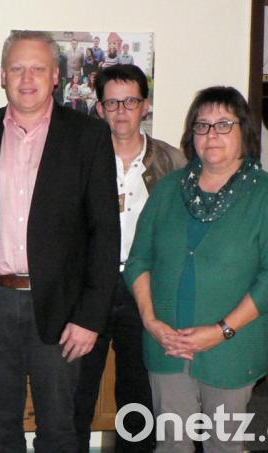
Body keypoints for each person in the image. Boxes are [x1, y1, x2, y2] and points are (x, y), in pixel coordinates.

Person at [0, 30, 119, 451]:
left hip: (61, 307)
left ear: (56, 76)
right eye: (18, 68)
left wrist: (91, 317)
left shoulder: (88, 136)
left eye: (38, 68)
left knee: (59, 426)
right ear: (3, 75)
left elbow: (104, 233)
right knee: (0, 422)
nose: (27, 78)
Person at [124, 86, 268, 453]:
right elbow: (139, 259)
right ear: (192, 136)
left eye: (223, 124)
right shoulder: (169, 189)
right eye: (202, 126)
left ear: (244, 132)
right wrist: (151, 322)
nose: (211, 135)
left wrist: (221, 331)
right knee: (171, 445)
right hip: (166, 347)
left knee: (224, 446)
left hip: (231, 350)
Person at [73, 64, 187, 453]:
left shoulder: (173, 163)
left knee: (138, 397)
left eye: (131, 101)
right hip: (87, 289)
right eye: (112, 102)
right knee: (76, 392)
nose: (121, 110)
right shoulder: (79, 159)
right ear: (100, 108)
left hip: (144, 291)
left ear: (146, 105)